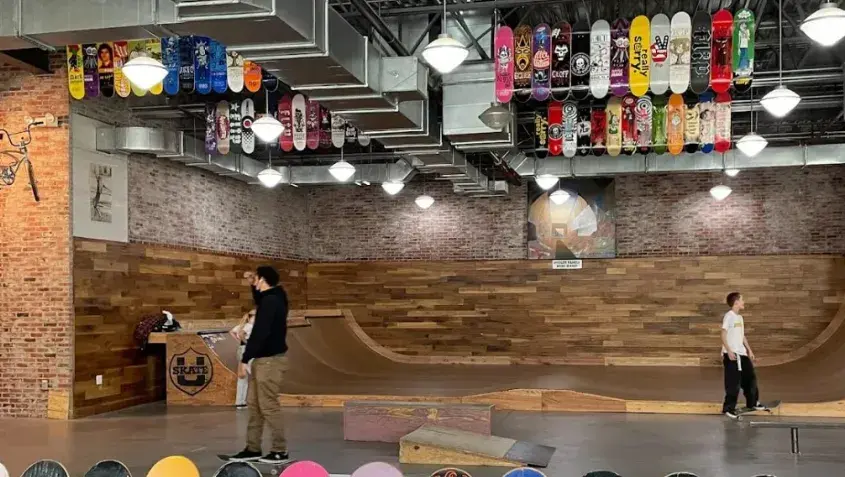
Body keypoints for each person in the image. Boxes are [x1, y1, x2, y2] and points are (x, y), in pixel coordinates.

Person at [226, 266, 290, 463]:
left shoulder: (271, 301)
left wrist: (245, 358)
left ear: (263, 279)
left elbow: (260, 332)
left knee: (268, 405)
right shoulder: (276, 296)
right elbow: (261, 298)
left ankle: (280, 450)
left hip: (269, 361)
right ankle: (253, 448)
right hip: (263, 359)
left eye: (257, 279)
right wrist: (253, 285)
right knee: (254, 404)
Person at [720, 292, 765, 419]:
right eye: (742, 300)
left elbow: (742, 336)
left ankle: (753, 402)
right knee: (733, 383)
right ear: (736, 303)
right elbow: (723, 334)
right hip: (732, 355)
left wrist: (749, 350)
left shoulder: (740, 318)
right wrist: (728, 350)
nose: (744, 302)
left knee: (750, 378)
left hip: (742, 353)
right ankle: (729, 408)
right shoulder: (729, 316)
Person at [229, 309, 256, 409]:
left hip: (241, 350)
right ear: (250, 317)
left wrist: (240, 342)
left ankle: (240, 402)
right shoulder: (249, 326)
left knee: (242, 377)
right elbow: (241, 334)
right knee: (256, 374)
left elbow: (232, 332)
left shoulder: (242, 325)